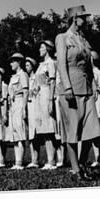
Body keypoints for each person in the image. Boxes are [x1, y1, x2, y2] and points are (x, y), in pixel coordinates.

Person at [55, 5, 100, 180]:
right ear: (75, 18)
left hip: (87, 88)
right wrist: (67, 87)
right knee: (72, 131)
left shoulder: (84, 40)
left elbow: (90, 66)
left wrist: (95, 85)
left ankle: (82, 162)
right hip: (70, 89)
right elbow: (61, 64)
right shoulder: (62, 38)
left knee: (93, 130)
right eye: (83, 16)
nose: (86, 19)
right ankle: (76, 170)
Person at [35, 40, 58, 170]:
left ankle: (52, 160)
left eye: (42, 47)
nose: (40, 49)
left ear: (48, 49)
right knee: (44, 129)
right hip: (39, 96)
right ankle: (50, 159)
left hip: (47, 94)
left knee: (49, 128)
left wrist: (50, 100)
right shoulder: (41, 65)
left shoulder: (50, 63)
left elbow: (53, 82)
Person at [8, 53, 29, 169]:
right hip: (13, 104)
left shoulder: (23, 75)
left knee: (20, 132)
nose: (11, 64)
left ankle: (20, 162)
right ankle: (17, 161)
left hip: (20, 102)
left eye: (13, 61)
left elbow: (26, 92)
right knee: (15, 132)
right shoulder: (13, 77)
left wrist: (25, 108)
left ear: (19, 62)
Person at [90, 50, 100, 168]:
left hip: (97, 103)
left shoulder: (99, 73)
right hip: (90, 102)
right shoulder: (87, 73)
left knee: (98, 132)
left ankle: (99, 158)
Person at [25, 57, 40, 168]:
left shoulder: (36, 78)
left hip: (35, 106)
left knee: (36, 134)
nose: (26, 68)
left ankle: (36, 159)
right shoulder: (27, 79)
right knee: (30, 134)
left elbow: (37, 91)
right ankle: (32, 159)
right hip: (29, 107)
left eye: (28, 65)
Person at [0, 67, 10, 167]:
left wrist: (5, 114)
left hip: (2, 110)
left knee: (2, 136)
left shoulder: (4, 86)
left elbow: (5, 100)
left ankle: (2, 159)